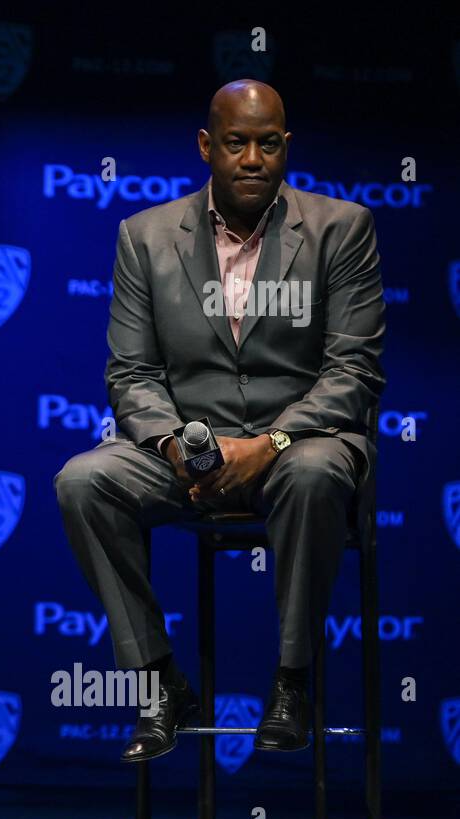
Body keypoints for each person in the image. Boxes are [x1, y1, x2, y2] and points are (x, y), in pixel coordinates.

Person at [54, 79, 385, 761]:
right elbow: (132, 375)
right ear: (208, 146)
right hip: (193, 457)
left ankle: (293, 681)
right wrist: (179, 448)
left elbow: (352, 373)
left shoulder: (341, 228)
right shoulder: (145, 237)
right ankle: (159, 682)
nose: (254, 158)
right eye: (237, 143)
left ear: (287, 147)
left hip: (298, 447)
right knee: (84, 480)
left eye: (268, 144)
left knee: (316, 469)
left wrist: (269, 442)